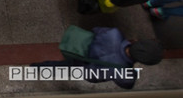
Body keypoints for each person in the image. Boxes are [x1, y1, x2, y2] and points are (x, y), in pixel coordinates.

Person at [34, 27, 163, 89]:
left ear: (136, 42)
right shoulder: (125, 74)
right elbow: (128, 85)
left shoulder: (114, 34)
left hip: (81, 53)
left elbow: (96, 30)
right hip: (86, 71)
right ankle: (40, 69)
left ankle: (37, 68)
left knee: (61, 65)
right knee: (65, 69)